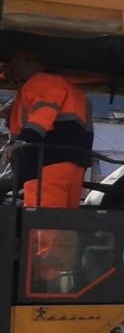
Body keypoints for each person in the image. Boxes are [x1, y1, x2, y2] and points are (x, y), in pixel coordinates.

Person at [4, 52, 92, 292]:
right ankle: (63, 278)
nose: (17, 71)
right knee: (63, 221)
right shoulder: (71, 90)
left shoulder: (41, 81)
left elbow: (44, 108)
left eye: (21, 64)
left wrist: (23, 141)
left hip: (46, 161)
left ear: (38, 64)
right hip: (70, 161)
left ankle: (42, 281)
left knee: (43, 220)